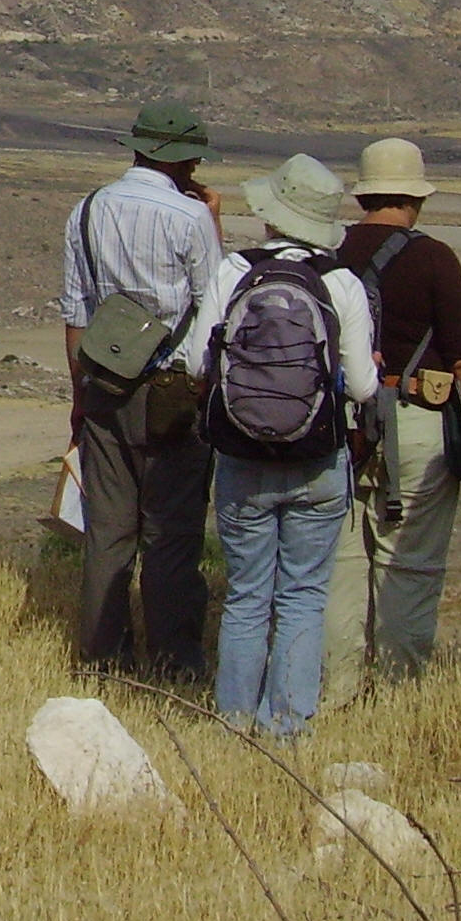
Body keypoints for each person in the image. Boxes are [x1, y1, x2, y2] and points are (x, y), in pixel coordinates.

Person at [182, 155, 378, 736]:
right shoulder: (341, 282)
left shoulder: (234, 272)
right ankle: (288, 724)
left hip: (242, 455)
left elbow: (197, 362)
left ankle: (235, 719)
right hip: (318, 458)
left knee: (246, 596)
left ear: (271, 214)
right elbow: (364, 386)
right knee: (302, 596)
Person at [318, 138, 461, 708]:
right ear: (415, 198)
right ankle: (398, 702)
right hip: (419, 423)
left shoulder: (331, 252)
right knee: (410, 568)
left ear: (364, 195)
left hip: (338, 428)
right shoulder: (434, 257)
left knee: (339, 571)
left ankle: (335, 696)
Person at [60, 99, 226, 678]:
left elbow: (76, 312)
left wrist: (82, 397)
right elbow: (215, 304)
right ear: (183, 160)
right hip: (175, 388)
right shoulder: (190, 218)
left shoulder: (86, 211)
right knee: (172, 532)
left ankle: (104, 656)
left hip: (105, 383)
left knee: (107, 531)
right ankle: (175, 658)